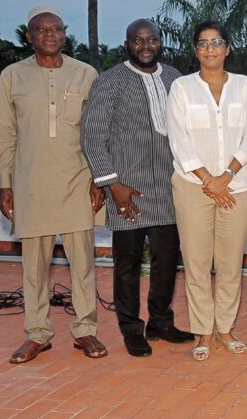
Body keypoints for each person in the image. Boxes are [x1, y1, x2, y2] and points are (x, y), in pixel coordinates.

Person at [0, 6, 105, 364]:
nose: (49, 34)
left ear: (64, 34)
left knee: (83, 264)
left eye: (56, 28)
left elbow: (97, 132)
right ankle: (38, 334)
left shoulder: (86, 74)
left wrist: (98, 179)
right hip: (31, 184)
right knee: (34, 267)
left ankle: (85, 330)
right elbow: (5, 134)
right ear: (29, 36)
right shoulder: (12, 76)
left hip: (77, 181)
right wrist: (5, 184)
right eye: (41, 30)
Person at [80, 18, 193, 357]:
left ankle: (161, 322)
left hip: (168, 188)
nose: (145, 46)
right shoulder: (110, 81)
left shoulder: (174, 78)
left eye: (152, 39)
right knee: (127, 264)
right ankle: (131, 329)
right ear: (127, 44)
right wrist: (111, 184)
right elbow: (92, 136)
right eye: (138, 40)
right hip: (126, 191)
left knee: (166, 261)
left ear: (161, 42)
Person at [166, 20, 247, 361]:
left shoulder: (244, 86)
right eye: (203, 44)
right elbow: (179, 140)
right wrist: (210, 180)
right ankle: (203, 331)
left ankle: (225, 328)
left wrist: (227, 175)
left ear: (227, 48)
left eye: (216, 42)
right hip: (194, 186)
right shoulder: (181, 88)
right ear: (196, 51)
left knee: (230, 263)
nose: (210, 49)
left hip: (238, 185)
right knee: (197, 262)